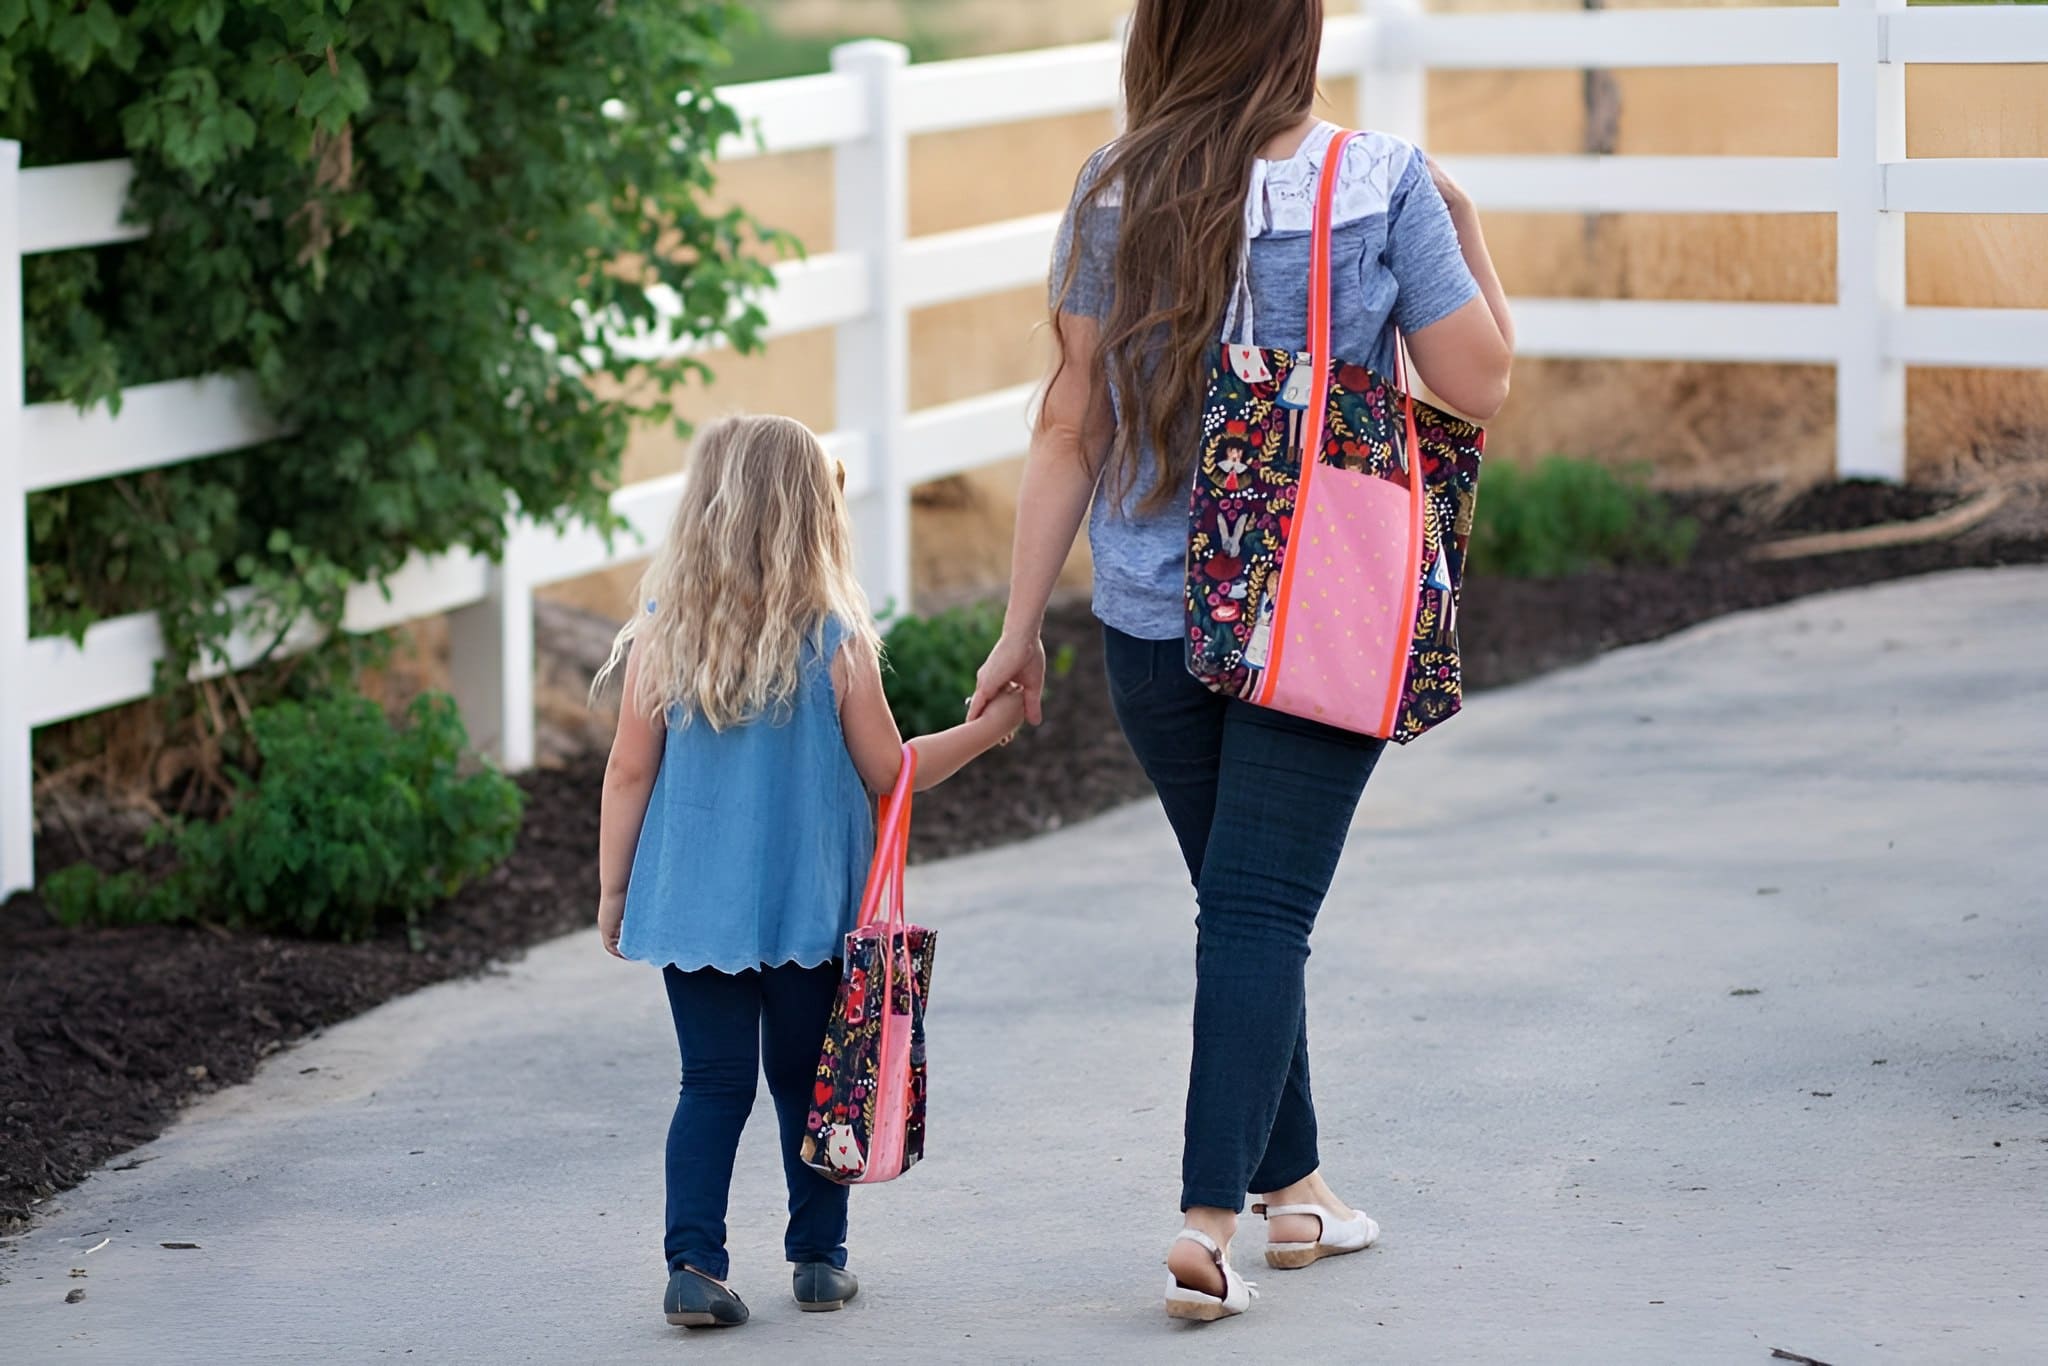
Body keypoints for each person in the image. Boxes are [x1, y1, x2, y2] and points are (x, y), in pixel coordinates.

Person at [967, 0, 1515, 1323]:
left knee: (1241, 901)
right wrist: (1465, 218)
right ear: (1295, 34)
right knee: (1258, 911)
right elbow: (1479, 380)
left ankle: (1301, 1190)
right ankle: (1209, 1223)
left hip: (1154, 621)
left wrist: (1018, 622)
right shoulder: (1380, 184)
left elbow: (1067, 426)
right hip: (1319, 609)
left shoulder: (1114, 191)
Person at [592, 414, 1025, 1330]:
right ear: (810, 514)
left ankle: (692, 1266)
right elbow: (888, 771)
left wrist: (615, 888)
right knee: (809, 1081)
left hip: (695, 912)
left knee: (709, 1083)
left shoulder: (665, 634)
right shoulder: (834, 638)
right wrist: (989, 730)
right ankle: (820, 1260)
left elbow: (628, 770)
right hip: (808, 912)